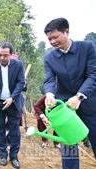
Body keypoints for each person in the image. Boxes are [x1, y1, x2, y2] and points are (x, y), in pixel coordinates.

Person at [43, 17, 96, 169]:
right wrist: (50, 94)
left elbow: (93, 75)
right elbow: (49, 80)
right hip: (65, 110)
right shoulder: (49, 57)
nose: (52, 42)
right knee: (68, 149)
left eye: (55, 37)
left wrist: (79, 96)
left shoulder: (87, 48)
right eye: (49, 39)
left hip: (90, 105)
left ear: (67, 31)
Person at [0, 42, 25, 169]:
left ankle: (14, 156)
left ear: (11, 55)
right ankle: (2, 155)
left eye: (5, 55)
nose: (2, 58)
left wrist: (12, 98)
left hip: (13, 103)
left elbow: (21, 82)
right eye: (0, 55)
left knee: (14, 130)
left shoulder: (18, 65)